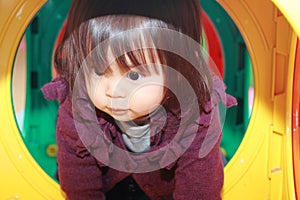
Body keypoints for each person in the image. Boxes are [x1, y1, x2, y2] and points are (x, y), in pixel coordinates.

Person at [42, 1, 237, 200]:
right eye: (99, 71)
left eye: (134, 76)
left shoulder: (195, 113)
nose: (113, 91)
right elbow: (79, 180)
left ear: (178, 70)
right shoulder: (79, 106)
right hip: (113, 184)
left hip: (169, 186)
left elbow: (199, 189)